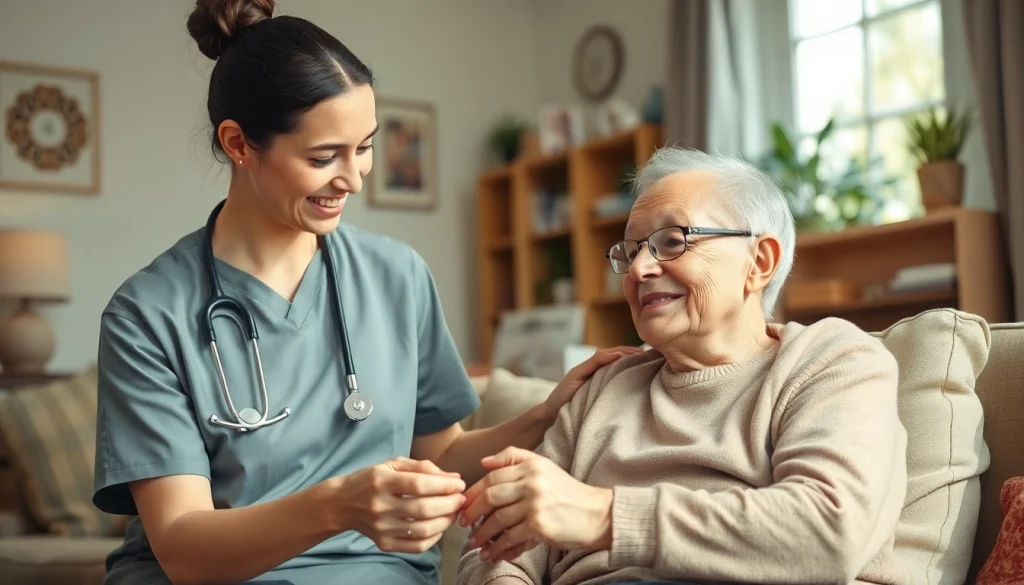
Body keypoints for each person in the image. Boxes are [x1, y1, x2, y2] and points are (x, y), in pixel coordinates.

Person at [90, 2, 640, 584]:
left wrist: (548, 413)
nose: (353, 179)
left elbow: (438, 454)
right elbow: (182, 548)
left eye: (365, 147)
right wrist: (340, 505)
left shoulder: (396, 275)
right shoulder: (147, 315)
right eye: (323, 157)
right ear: (239, 144)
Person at [455, 148, 911, 585]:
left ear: (759, 262)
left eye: (671, 242)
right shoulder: (604, 388)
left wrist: (602, 515)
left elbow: (830, 532)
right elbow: (494, 543)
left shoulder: (831, 360)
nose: (638, 270)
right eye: (631, 252)